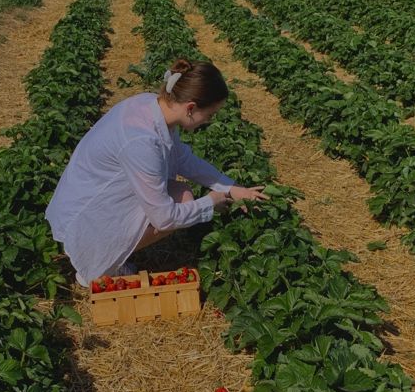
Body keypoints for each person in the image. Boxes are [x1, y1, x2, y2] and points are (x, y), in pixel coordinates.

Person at [45, 59, 268, 286]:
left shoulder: (152, 106)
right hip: (85, 216)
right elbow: (164, 218)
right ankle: (99, 265)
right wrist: (210, 202)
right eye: (209, 114)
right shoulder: (141, 140)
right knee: (179, 206)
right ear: (190, 108)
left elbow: (183, 159)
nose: (209, 121)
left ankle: (110, 251)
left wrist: (231, 188)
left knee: (181, 194)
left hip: (92, 198)